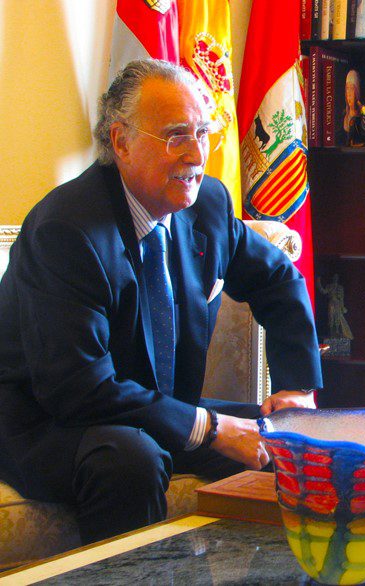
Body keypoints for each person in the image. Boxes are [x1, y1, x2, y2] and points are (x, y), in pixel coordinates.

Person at [0, 59, 322, 543]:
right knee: (132, 459)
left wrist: (296, 388)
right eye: (176, 135)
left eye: (203, 132)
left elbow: (278, 279)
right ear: (121, 141)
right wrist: (210, 428)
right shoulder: (67, 232)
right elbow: (80, 389)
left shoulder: (207, 204)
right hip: (47, 421)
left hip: (155, 409)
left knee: (294, 440)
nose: (197, 153)